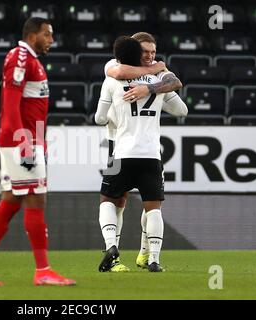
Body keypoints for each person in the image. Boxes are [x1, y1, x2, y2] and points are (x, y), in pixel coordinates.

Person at [0, 17, 76, 286]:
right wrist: (21, 140)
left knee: (12, 201)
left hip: (27, 139)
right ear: (32, 34)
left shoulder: (31, 60)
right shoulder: (21, 57)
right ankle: (43, 271)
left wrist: (39, 141)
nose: (51, 40)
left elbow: (31, 107)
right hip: (22, 141)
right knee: (36, 200)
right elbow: (10, 102)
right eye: (47, 35)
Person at [95, 35, 185, 273]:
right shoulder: (155, 74)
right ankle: (152, 257)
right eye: (145, 51)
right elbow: (181, 109)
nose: (150, 56)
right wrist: (156, 94)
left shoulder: (111, 79)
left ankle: (113, 249)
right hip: (150, 153)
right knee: (152, 206)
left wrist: (146, 92)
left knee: (110, 200)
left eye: (153, 52)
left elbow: (99, 118)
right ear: (136, 52)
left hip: (120, 149)